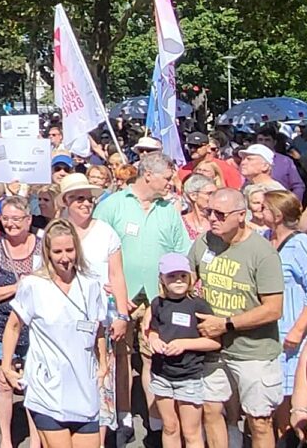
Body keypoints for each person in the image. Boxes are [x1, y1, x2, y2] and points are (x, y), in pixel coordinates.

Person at [92, 152, 190, 438]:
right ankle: (122, 417)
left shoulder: (168, 210)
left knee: (153, 358)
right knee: (119, 355)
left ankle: (156, 422)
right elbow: (97, 247)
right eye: (167, 177)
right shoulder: (113, 205)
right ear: (148, 175)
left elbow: (180, 251)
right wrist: (111, 287)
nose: (171, 183)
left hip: (157, 298)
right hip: (120, 296)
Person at [188, 188, 284, 448]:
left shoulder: (262, 252)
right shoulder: (205, 242)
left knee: (260, 420)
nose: (212, 219)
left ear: (241, 215)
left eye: (220, 214)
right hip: (213, 348)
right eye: (209, 212)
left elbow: (274, 308)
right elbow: (186, 278)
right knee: (210, 409)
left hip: (254, 351)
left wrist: (227, 323)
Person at [0, 218, 107, 448]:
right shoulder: (33, 285)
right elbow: (14, 326)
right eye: (57, 251)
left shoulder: (90, 285)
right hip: (48, 388)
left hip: (84, 388)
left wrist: (103, 364)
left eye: (69, 250)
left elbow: (98, 328)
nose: (64, 257)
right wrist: (7, 366)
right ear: (47, 253)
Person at [60, 172, 128, 442]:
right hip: (65, 320)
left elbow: (117, 275)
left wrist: (122, 314)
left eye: (89, 199)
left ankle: (98, 441)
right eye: (79, 199)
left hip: (101, 317)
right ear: (66, 201)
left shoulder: (106, 232)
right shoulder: (56, 231)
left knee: (101, 381)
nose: (86, 204)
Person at [0, 195, 42, 448]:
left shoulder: (42, 244)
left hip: (36, 326)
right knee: (3, 381)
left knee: (33, 382)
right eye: (6, 219)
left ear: (28, 219)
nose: (11, 224)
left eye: (16, 219)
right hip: (0, 323)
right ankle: (6, 437)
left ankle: (36, 438)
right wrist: (19, 286)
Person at [260, 189, 307, 438]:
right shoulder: (264, 238)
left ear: (277, 215)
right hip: (267, 333)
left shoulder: (301, 244)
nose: (257, 212)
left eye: (264, 208)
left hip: (292, 334)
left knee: (291, 404)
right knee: (272, 404)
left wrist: (299, 329)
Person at [144, 253, 220, 448]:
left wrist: (184, 344)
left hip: (189, 376)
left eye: (182, 276)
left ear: (190, 277)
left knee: (191, 431)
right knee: (169, 426)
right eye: (172, 276)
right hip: (162, 374)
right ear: (161, 278)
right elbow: (152, 329)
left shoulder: (198, 305)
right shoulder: (157, 304)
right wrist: (153, 339)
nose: (178, 280)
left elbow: (214, 343)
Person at [254, 127, 306, 200]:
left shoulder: (286, 161)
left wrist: (294, 203)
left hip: (280, 204)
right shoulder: (249, 160)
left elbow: (298, 185)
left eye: (267, 140)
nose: (263, 143)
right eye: (260, 140)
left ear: (274, 142)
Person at [181, 175, 217, 242]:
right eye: (209, 193)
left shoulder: (218, 221)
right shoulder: (181, 223)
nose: (215, 197)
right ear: (193, 196)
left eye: (216, 194)